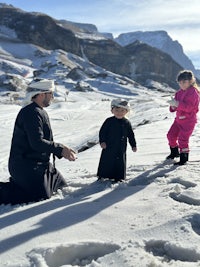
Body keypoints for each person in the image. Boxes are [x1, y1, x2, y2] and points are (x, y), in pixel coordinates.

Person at [0, 79, 76, 205]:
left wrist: (62, 148)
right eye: (50, 93)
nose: (52, 97)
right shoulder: (31, 113)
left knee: (61, 185)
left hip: (41, 165)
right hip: (25, 166)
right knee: (40, 196)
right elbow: (36, 143)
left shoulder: (38, 111)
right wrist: (60, 149)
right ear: (42, 94)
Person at [97, 98, 137, 182]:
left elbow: (131, 135)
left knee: (120, 162)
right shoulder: (109, 121)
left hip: (121, 147)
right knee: (107, 160)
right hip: (109, 146)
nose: (119, 112)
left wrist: (133, 145)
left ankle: (119, 177)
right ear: (112, 110)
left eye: (122, 110)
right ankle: (103, 175)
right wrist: (102, 141)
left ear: (126, 112)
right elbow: (102, 132)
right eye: (117, 110)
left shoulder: (127, 122)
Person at [166, 70, 200, 165]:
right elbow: (174, 108)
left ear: (190, 81)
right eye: (180, 82)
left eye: (184, 82)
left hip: (189, 121)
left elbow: (190, 108)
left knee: (182, 139)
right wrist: (173, 106)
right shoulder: (179, 93)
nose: (182, 84)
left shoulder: (193, 93)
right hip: (178, 120)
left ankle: (184, 157)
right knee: (170, 135)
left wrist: (177, 104)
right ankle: (174, 152)